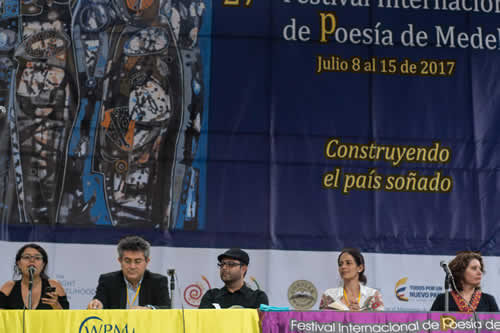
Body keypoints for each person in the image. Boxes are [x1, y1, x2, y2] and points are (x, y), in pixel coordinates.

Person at [87, 236, 170, 309]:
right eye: (127, 261)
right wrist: (96, 305)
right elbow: (99, 302)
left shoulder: (158, 282)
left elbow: (167, 308)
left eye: (137, 261)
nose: (132, 266)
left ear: (147, 262)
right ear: (120, 261)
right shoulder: (107, 281)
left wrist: (148, 310)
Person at [0, 243, 69, 309]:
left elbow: (66, 319)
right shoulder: (8, 287)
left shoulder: (54, 285)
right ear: (18, 263)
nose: (32, 260)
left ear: (43, 264)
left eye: (37, 258)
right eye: (27, 257)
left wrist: (56, 305)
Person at [199, 248, 268, 309]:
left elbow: (259, 322)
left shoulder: (257, 297)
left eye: (230, 264)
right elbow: (203, 322)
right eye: (222, 264)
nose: (224, 268)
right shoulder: (211, 296)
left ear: (243, 269)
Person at [430, 251, 498, 312]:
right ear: (460, 272)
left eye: (480, 269)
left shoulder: (488, 300)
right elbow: (430, 324)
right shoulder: (443, 299)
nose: (480, 272)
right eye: (474, 268)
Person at [319, 248, 384, 311]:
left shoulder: (372, 295)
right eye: (340, 264)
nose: (343, 267)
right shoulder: (329, 295)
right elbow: (323, 321)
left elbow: (379, 321)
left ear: (360, 268)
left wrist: (359, 316)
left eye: (348, 263)